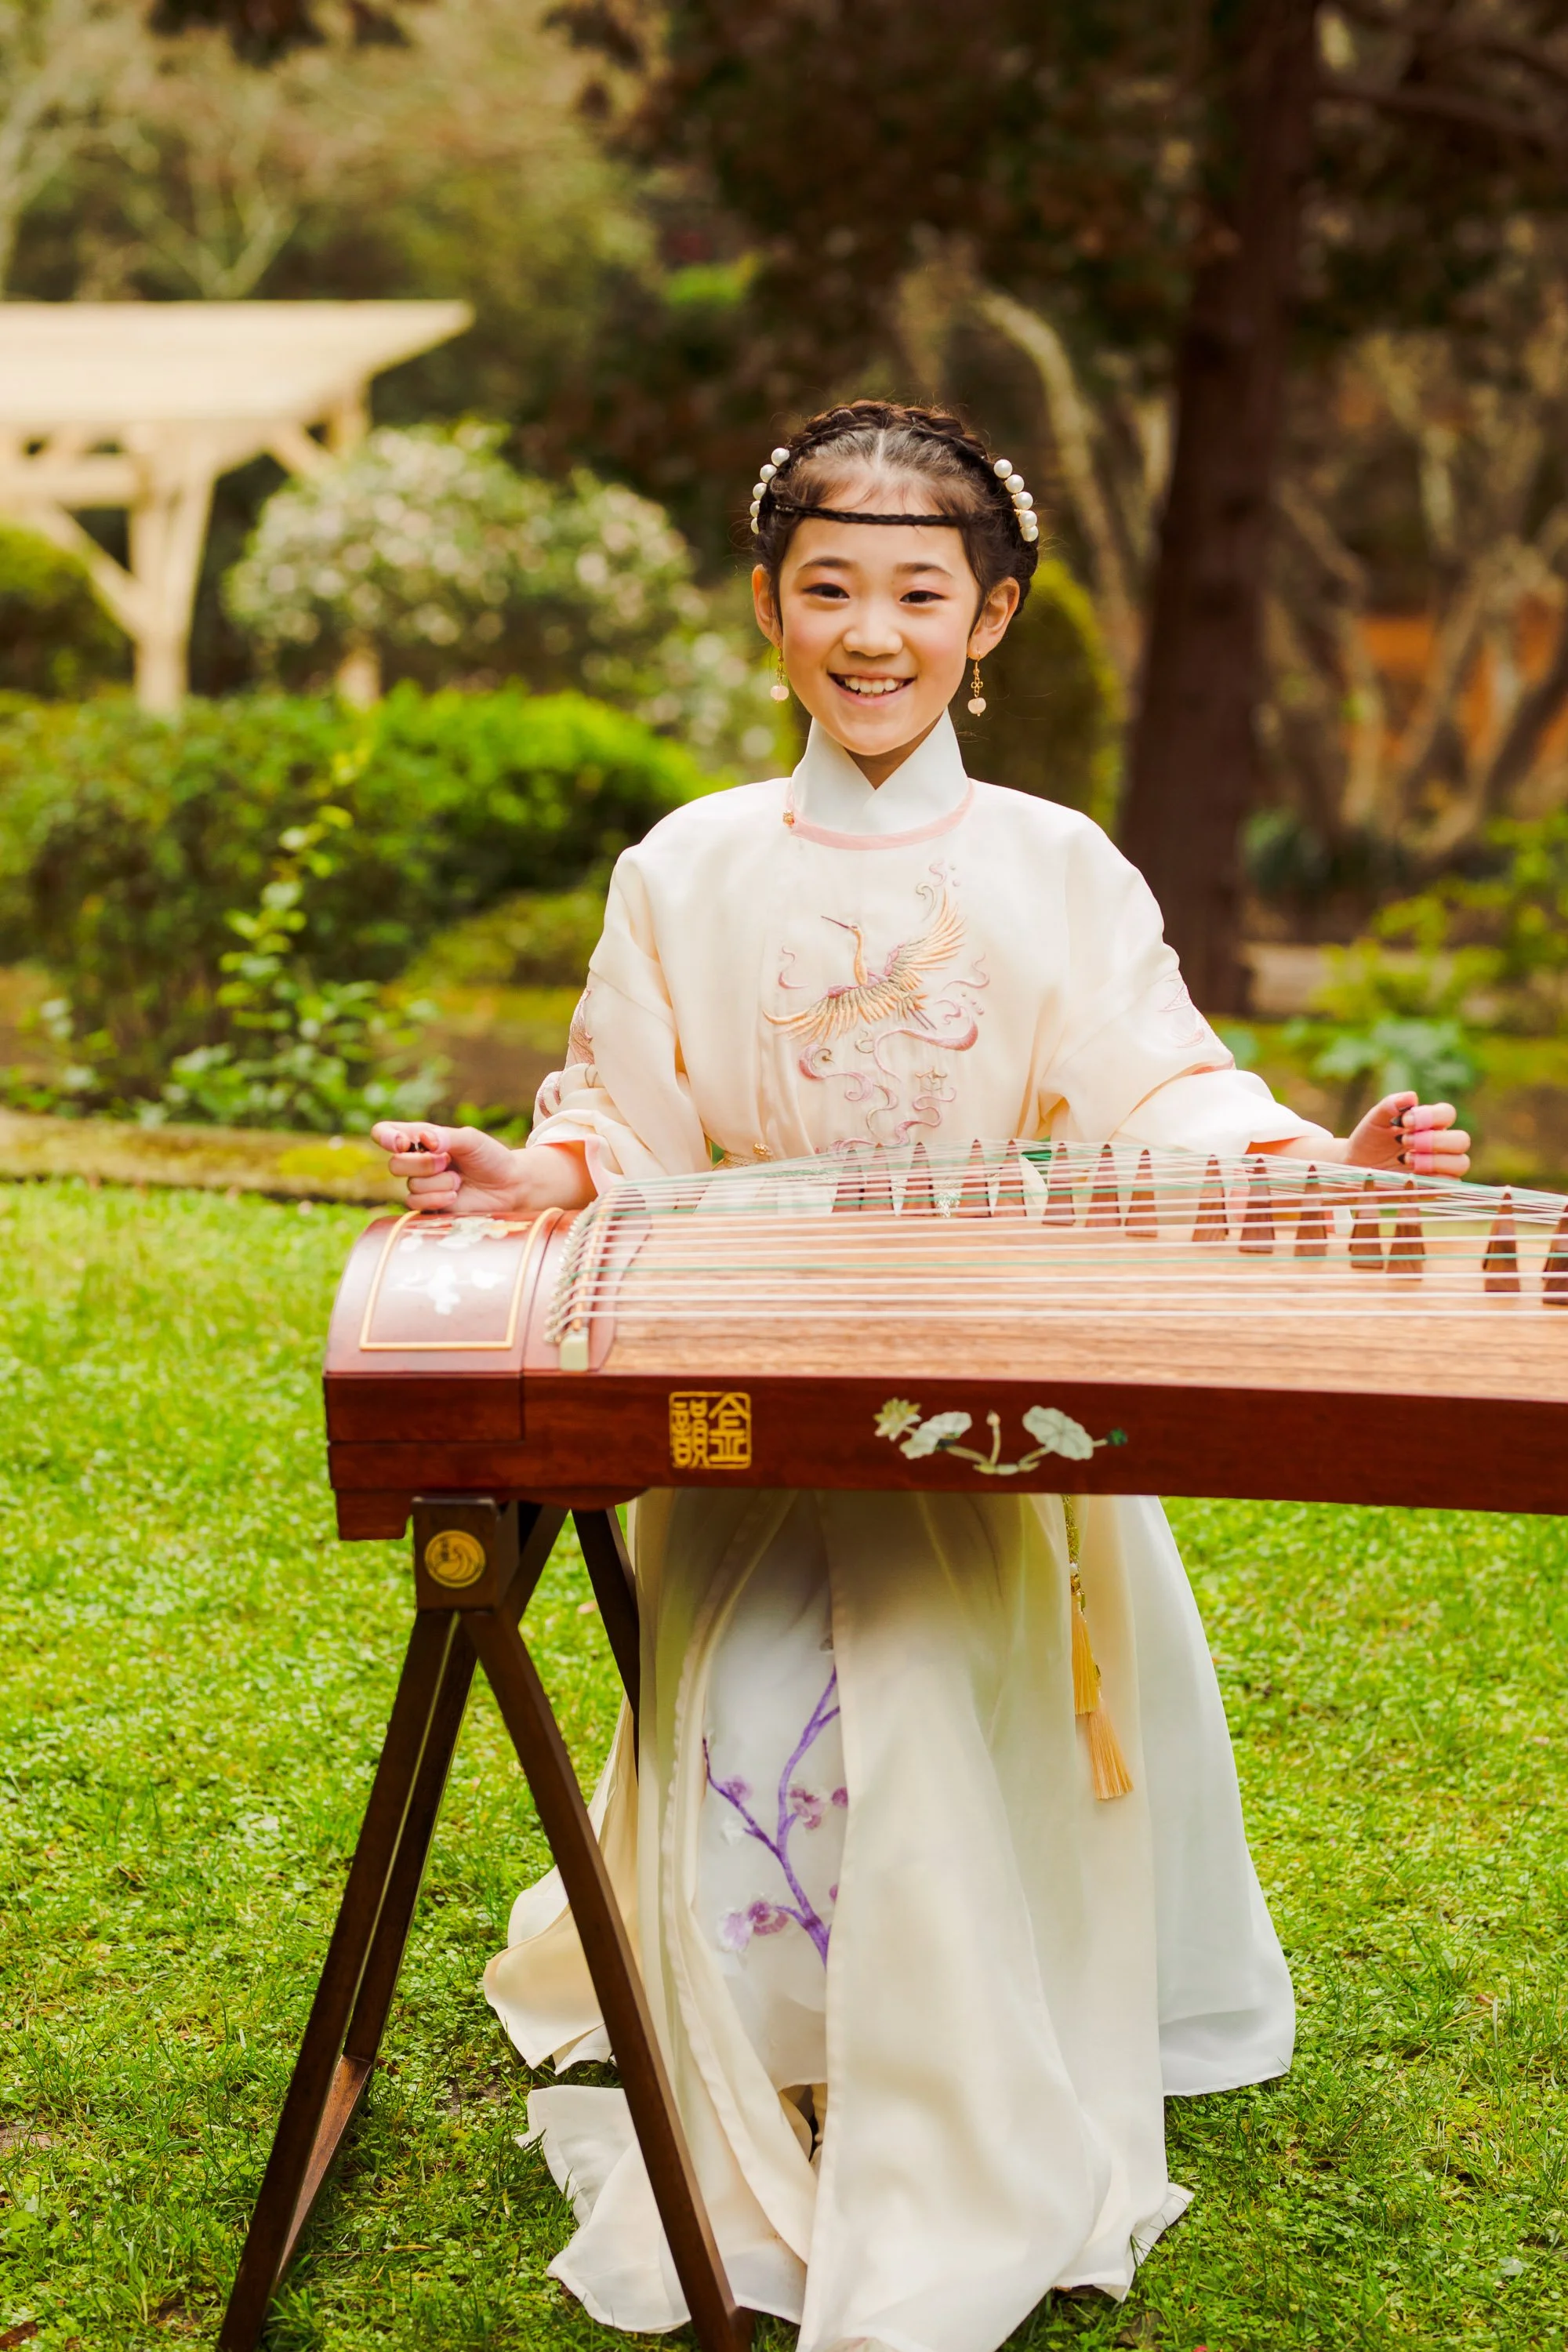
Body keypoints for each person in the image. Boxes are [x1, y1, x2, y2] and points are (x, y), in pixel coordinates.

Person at [372, 401, 1469, 2352]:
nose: (870, 633)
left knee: (920, 1688)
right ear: (770, 616)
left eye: (917, 592)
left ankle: (954, 2095)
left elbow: (1163, 1085)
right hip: (750, 1378)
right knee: (771, 1713)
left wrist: (1320, 1166)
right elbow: (623, 1121)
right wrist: (524, 1174)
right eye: (828, 590)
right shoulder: (687, 867)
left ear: (994, 618)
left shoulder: (1055, 863)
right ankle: (769, 2062)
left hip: (989, 1386)